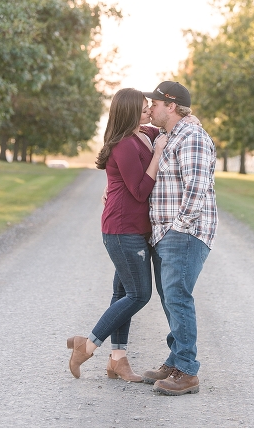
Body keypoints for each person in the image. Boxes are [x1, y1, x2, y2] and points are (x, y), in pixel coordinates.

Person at [67, 88, 168, 381]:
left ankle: (118, 360)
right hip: (123, 229)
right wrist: (158, 154)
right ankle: (87, 346)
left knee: (122, 292)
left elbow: (164, 126)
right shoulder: (124, 144)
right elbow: (138, 191)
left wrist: (192, 121)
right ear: (130, 111)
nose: (149, 109)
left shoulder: (143, 133)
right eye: (144, 106)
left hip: (134, 228)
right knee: (139, 294)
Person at [139, 81, 218, 396]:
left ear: (170, 106)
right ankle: (175, 360)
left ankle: (186, 371)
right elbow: (135, 127)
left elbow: (196, 188)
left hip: (184, 233)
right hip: (168, 232)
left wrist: (178, 227)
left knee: (178, 297)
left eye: (155, 103)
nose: (150, 109)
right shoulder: (172, 134)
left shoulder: (193, 138)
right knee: (171, 297)